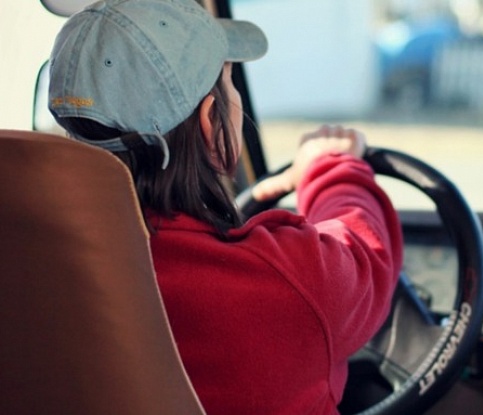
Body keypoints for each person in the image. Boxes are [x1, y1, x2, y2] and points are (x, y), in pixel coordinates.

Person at [48, 0, 404, 413]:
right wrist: (333, 167)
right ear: (211, 119)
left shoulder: (41, 271)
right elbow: (364, 256)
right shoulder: (286, 281)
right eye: (231, 82)